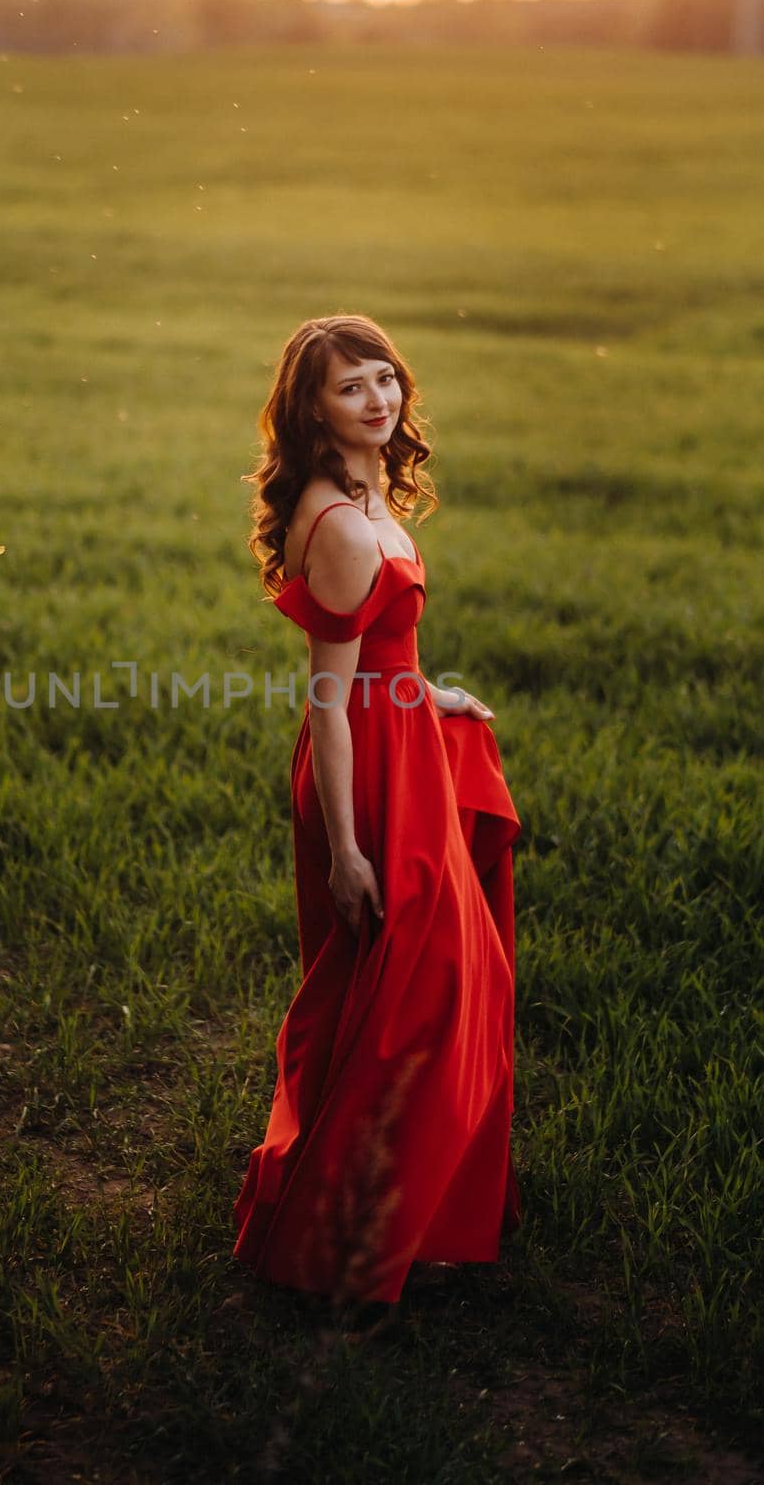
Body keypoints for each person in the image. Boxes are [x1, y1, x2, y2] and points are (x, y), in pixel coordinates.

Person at [232, 313, 523, 1310]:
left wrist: (426, 694)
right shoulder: (344, 528)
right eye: (350, 387)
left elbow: (377, 664)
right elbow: (329, 693)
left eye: (384, 378)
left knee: (423, 988)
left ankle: (416, 1213)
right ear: (311, 411)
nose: (378, 398)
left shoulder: (364, 498)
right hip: (364, 777)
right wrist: (347, 849)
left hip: (394, 737)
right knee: (423, 990)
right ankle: (360, 1235)